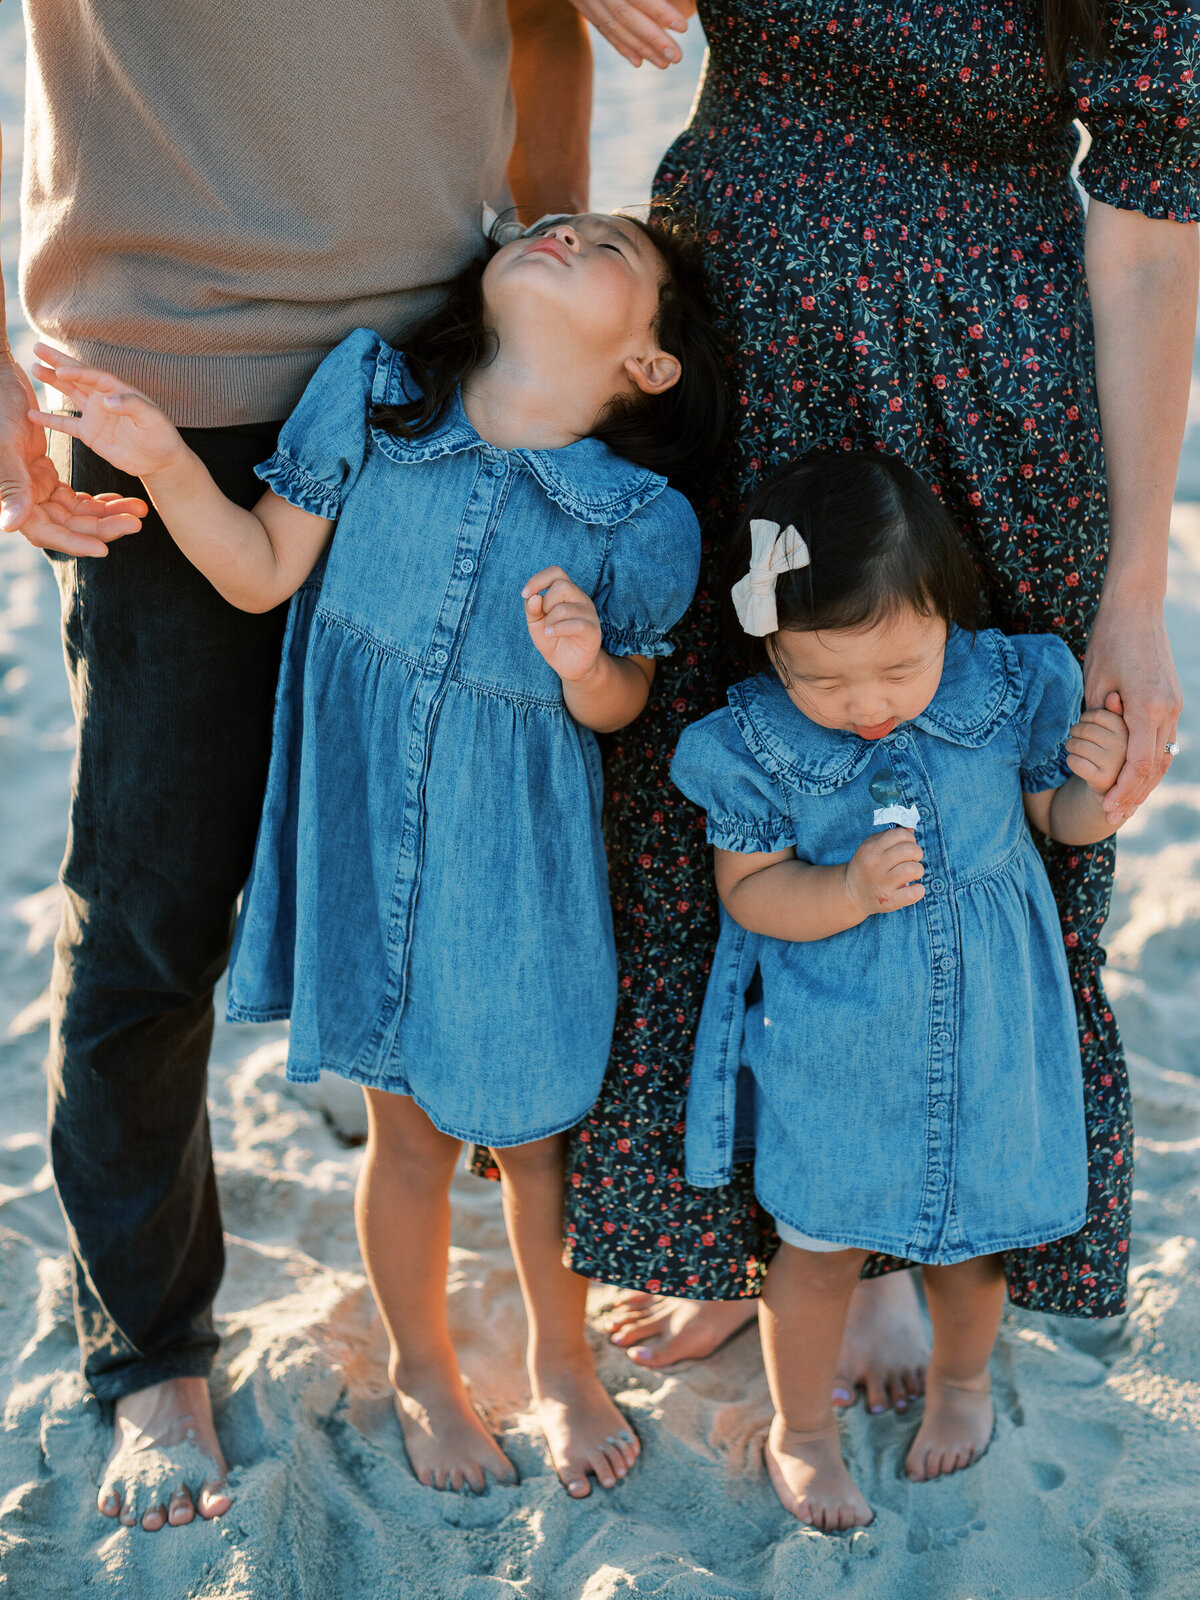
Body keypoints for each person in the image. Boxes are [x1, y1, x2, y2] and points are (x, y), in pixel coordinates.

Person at [0, 0, 595, 1532]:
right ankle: (150, 1349)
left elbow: (545, 24)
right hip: (159, 382)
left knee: (459, 846)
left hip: (441, 383)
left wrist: (548, 294)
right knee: (156, 900)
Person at [29, 206, 727, 1497]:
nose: (568, 234)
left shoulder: (641, 516)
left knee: (537, 1141)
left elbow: (622, 705)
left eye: (612, 250)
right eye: (558, 224)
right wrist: (161, 459)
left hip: (513, 860)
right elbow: (256, 573)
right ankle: (423, 1372)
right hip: (361, 833)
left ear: (650, 361)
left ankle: (565, 1367)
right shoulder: (372, 396)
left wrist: (586, 664)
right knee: (403, 1138)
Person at [555, 0, 1195, 1390]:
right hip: (739, 313)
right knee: (715, 793)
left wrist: (1134, 592)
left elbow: (1152, 233)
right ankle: (739, 1239)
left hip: (983, 366)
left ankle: (906, 1239)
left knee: (960, 804)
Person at [672, 449, 1132, 1527]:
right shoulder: (754, 742)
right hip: (842, 1037)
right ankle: (802, 1428)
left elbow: (1049, 825)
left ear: (944, 614)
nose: (867, 703)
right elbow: (751, 893)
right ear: (772, 645)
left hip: (987, 1027)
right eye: (823, 678)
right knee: (816, 1245)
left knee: (973, 1243)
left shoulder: (1005, 684)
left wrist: (1095, 796)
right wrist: (843, 889)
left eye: (898, 668)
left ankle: (962, 1384)